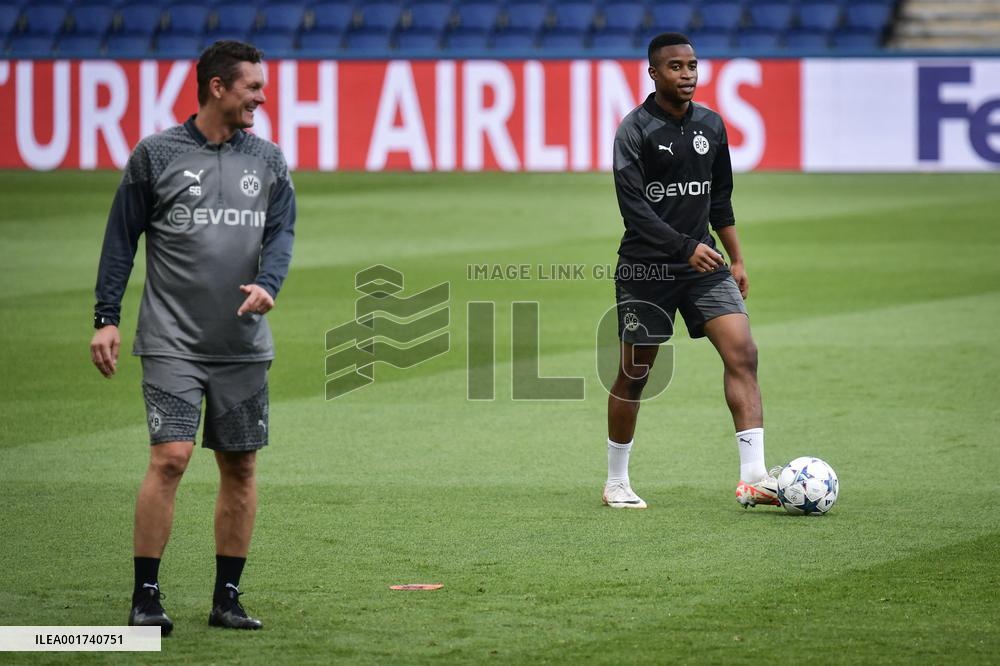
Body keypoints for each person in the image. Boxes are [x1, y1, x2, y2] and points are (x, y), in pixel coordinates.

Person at [89, 40, 295, 633]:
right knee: (171, 458)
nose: (262, 96)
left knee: (241, 466)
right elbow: (120, 239)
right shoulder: (156, 155)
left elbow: (281, 235)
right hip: (171, 340)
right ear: (217, 88)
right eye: (253, 86)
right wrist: (106, 316)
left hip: (244, 345)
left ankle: (227, 598)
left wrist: (269, 283)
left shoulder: (270, 160)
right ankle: (146, 596)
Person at [603, 32, 777, 510]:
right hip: (647, 269)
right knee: (635, 373)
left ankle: (754, 478)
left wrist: (736, 256)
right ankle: (616, 479)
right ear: (654, 73)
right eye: (676, 67)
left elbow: (719, 198)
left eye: (693, 66)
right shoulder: (634, 131)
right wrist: (685, 246)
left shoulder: (712, 126)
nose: (687, 75)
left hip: (705, 264)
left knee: (743, 352)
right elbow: (634, 210)